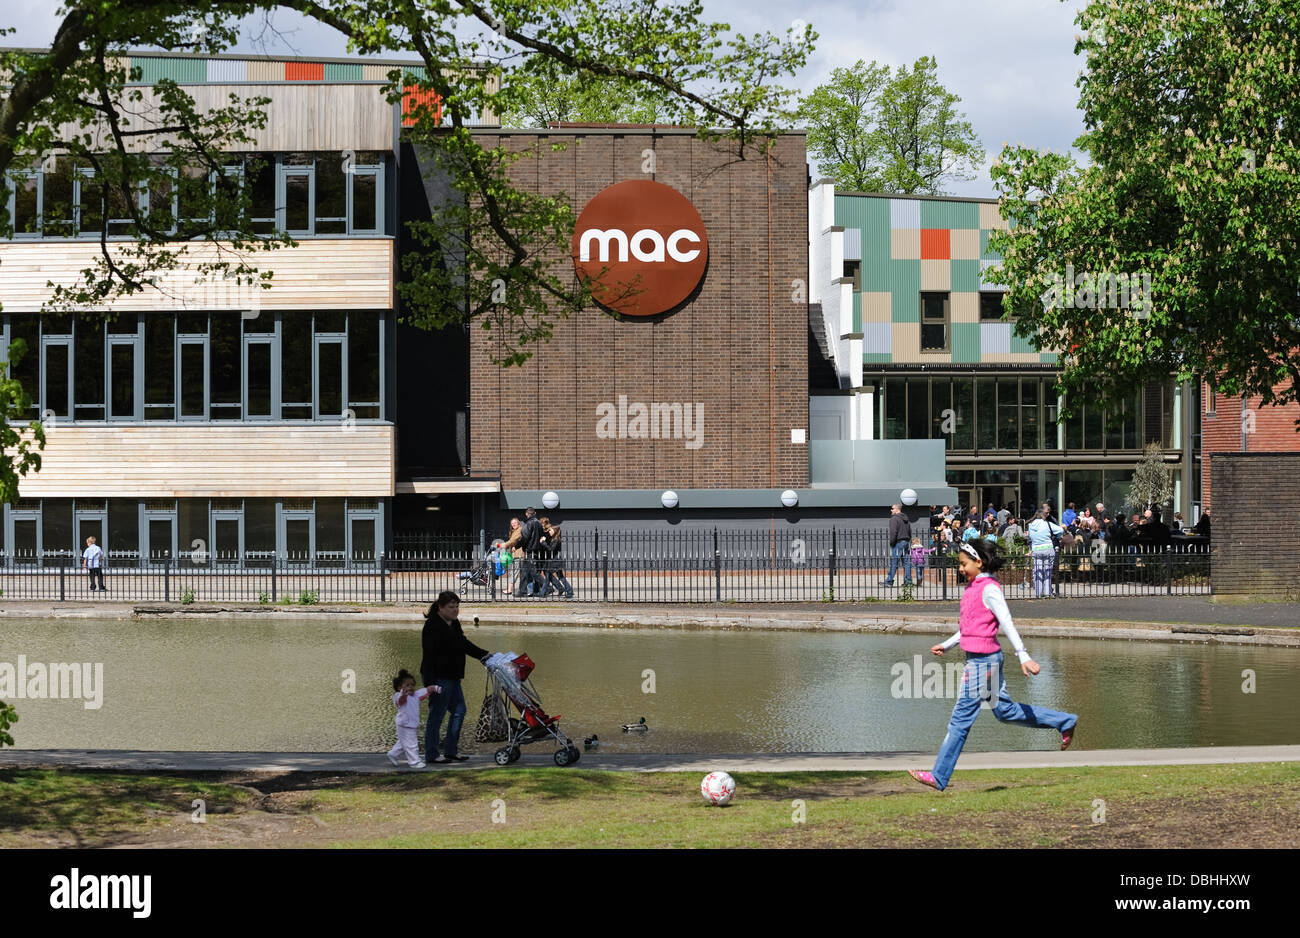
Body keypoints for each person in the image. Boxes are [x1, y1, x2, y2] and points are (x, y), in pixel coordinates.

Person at [907, 539, 1079, 791]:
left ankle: (939, 776)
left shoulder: (990, 589)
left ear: (979, 562)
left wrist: (1023, 656)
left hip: (983, 663)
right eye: (960, 565)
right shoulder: (973, 588)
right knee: (1005, 712)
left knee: (959, 720)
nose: (961, 569)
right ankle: (1065, 721)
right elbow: (969, 627)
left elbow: (1007, 622)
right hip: (981, 660)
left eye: (964, 564)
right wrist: (948, 644)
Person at [421, 591, 492, 763]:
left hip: (453, 676)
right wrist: (430, 684)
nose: (455, 610)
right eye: (451, 607)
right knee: (436, 715)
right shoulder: (432, 626)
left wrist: (485, 655)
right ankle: (432, 754)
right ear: (440, 607)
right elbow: (429, 656)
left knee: (459, 711)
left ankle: (450, 750)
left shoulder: (454, 623)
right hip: (438, 678)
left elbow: (463, 644)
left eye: (457, 606)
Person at [387, 669, 441, 769]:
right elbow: (401, 701)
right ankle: (414, 762)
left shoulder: (416, 695)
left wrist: (436, 688)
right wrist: (403, 694)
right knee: (411, 743)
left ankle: (393, 753)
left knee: (403, 742)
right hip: (405, 724)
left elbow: (427, 690)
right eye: (407, 685)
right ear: (399, 688)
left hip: (409, 724)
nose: (410, 687)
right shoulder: (398, 696)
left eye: (412, 685)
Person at [1027, 509, 1065, 598]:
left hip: (1036, 549)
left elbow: (1030, 537)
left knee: (1038, 572)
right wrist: (1057, 536)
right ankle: (1048, 592)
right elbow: (1060, 530)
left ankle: (1038, 593)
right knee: (1047, 571)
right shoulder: (1047, 524)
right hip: (1048, 548)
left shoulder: (1030, 525)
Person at [538, 517, 574, 598]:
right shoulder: (552, 540)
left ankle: (543, 593)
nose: (549, 531)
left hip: (555, 561)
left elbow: (550, 549)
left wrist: (543, 542)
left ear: (555, 532)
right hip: (552, 561)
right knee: (552, 577)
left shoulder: (556, 540)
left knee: (553, 577)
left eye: (551, 530)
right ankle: (569, 591)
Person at [882, 503, 913, 588]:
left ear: (897, 509)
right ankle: (908, 582)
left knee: (894, 562)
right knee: (906, 562)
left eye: (892, 508)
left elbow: (893, 532)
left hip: (899, 542)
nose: (891, 510)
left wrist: (892, 543)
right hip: (906, 542)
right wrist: (907, 540)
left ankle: (889, 581)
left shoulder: (894, 519)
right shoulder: (906, 519)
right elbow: (910, 532)